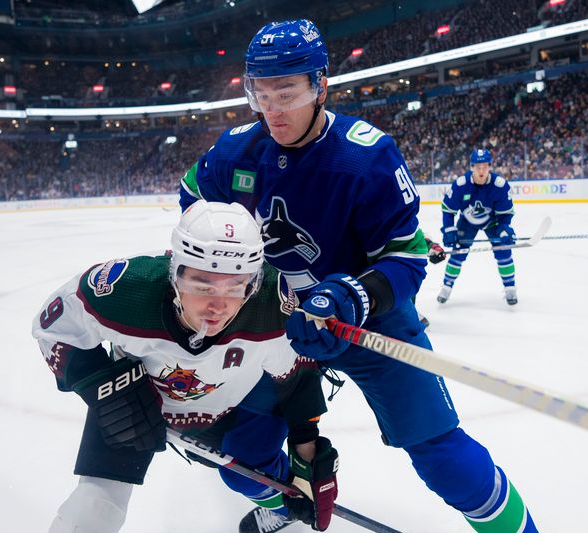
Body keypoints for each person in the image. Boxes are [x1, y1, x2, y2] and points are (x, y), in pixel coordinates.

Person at [179, 19, 537, 533]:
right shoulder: (236, 151)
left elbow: (407, 260)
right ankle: (289, 503)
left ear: (320, 85)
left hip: (370, 324)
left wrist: (352, 296)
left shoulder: (365, 156)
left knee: (443, 459)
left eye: (287, 91)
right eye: (261, 95)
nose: (273, 110)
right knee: (241, 460)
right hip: (278, 330)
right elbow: (193, 202)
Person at [32, 200, 339, 533]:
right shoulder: (124, 291)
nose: (218, 306)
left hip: (230, 405)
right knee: (94, 508)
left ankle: (280, 507)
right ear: (174, 272)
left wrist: (306, 451)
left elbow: (296, 377)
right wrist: (104, 390)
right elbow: (54, 325)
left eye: (236, 287)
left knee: (247, 478)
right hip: (135, 399)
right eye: (202, 285)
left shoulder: (269, 305)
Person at [437, 149, 518, 305]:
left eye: (485, 167)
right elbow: (448, 210)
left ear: (490, 166)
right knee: (458, 254)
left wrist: (504, 228)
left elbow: (505, 214)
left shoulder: (499, 185)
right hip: (467, 221)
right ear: (472, 167)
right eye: (478, 167)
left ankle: (510, 288)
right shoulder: (461, 185)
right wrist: (449, 230)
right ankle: (446, 286)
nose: (481, 171)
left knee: (503, 251)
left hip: (492, 221)